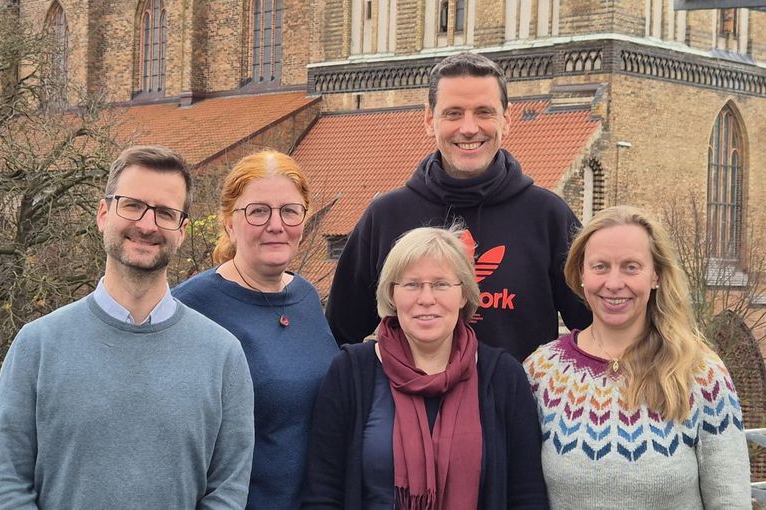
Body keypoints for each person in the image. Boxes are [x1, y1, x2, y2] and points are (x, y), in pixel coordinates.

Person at [0, 145, 255, 509]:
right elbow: (7, 484)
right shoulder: (37, 346)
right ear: (102, 213)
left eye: (164, 212)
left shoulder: (223, 356)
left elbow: (228, 491)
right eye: (132, 205)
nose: (146, 224)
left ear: (182, 230)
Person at [326, 51, 591, 360]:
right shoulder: (387, 216)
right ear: (429, 119)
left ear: (506, 119)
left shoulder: (547, 217)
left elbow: (596, 333)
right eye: (453, 113)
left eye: (483, 112)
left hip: (516, 407)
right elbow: (336, 336)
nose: (468, 128)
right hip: (411, 408)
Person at [303, 226, 549, 509]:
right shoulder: (351, 372)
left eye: (441, 284)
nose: (426, 298)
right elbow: (323, 493)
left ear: (464, 295)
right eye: (412, 284)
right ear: (392, 294)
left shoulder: (502, 376)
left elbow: (527, 495)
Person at [523, 205, 750, 509]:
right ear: (580, 275)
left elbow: (730, 500)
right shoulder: (541, 373)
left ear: (655, 275)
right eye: (600, 266)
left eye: (631, 267)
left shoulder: (700, 373)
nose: (614, 283)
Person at [173, 150, 338, 509]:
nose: (276, 225)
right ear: (230, 222)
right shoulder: (191, 307)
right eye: (258, 211)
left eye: (289, 211)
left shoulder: (306, 298)